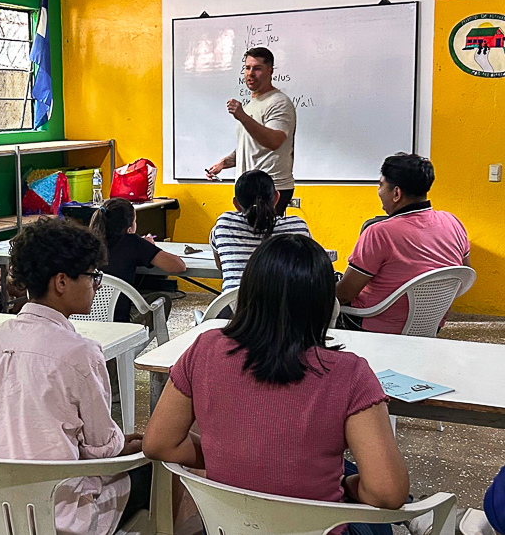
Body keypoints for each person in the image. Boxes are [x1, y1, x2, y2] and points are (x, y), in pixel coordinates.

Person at [143, 234, 409, 535]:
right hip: (315, 529)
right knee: (376, 514)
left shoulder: (204, 349)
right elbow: (387, 493)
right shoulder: (350, 374)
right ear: (326, 304)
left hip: (228, 528)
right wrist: (346, 485)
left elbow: (158, 443)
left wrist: (231, 456)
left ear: (248, 293)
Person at [0, 218, 151, 535]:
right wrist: (125, 445)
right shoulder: (80, 353)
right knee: (163, 465)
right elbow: (102, 450)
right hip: (55, 519)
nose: (96, 285)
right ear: (62, 282)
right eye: (92, 276)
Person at [335, 153, 470, 333]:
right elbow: (463, 277)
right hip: (429, 326)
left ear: (396, 193)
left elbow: (344, 295)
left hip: (371, 325)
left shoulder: (379, 233)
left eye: (381, 185)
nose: (379, 191)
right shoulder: (453, 222)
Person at [206, 47, 297, 216]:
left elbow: (274, 141)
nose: (250, 73)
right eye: (247, 68)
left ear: (270, 71)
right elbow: (250, 145)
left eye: (257, 68)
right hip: (248, 188)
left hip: (271, 189)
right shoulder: (253, 104)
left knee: (263, 240)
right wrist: (224, 163)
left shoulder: (279, 103)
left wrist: (242, 116)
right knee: (250, 239)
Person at [210, 170, 311, 293]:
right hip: (286, 309)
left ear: (236, 203)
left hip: (236, 308)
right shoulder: (297, 227)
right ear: (276, 198)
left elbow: (221, 265)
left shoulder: (224, 223)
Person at [88, 197, 185, 322]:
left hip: (81, 317)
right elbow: (178, 266)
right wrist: (149, 247)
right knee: (162, 298)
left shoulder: (84, 241)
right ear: (129, 228)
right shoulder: (133, 243)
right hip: (119, 321)